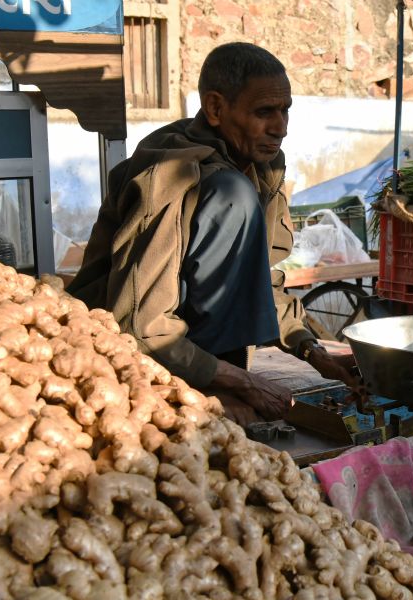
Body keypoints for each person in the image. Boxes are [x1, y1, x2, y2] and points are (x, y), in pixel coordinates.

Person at [69, 43, 359, 426]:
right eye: (264, 112)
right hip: (121, 355)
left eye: (285, 110)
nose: (281, 128)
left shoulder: (260, 166)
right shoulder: (176, 173)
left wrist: (311, 349)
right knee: (232, 195)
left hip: (192, 354)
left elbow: (255, 281)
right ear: (216, 108)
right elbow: (139, 327)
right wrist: (234, 382)